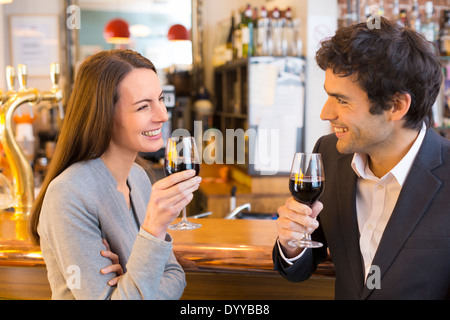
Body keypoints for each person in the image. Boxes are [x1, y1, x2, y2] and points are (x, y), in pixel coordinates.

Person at [273, 17, 450, 299]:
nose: (326, 113)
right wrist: (292, 243)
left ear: (396, 105)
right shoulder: (328, 154)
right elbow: (301, 266)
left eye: (342, 100)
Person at [29, 49, 199, 299]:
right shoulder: (68, 194)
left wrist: (129, 285)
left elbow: (175, 274)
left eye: (160, 99)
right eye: (143, 107)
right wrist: (153, 228)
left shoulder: (139, 177)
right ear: (104, 115)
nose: (162, 115)